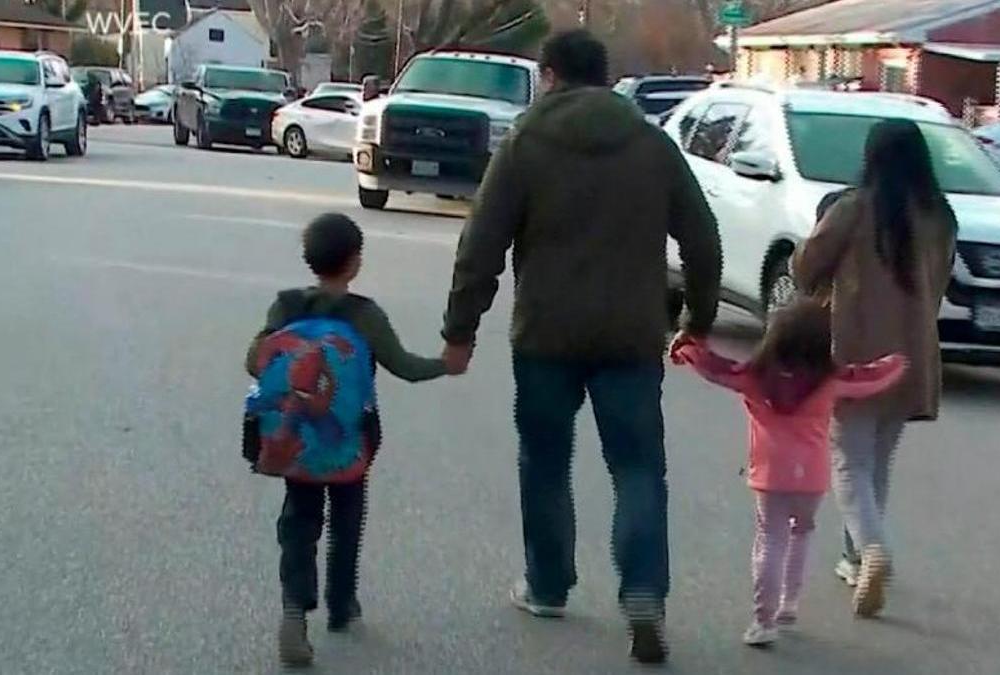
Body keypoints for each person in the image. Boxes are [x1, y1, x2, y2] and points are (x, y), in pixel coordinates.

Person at [439, 30, 722, 664]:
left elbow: (479, 247)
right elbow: (703, 239)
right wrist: (698, 319)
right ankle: (644, 591)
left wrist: (461, 330)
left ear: (551, 75)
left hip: (545, 335)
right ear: (605, 77)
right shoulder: (652, 144)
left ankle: (547, 585)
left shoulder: (526, 143)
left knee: (544, 460)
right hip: (630, 337)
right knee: (638, 468)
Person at [245, 213, 459, 667]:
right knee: (346, 521)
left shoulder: (285, 308)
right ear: (355, 262)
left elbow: (255, 362)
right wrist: (446, 363)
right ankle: (342, 606)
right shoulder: (364, 315)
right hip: (349, 442)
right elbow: (404, 366)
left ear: (309, 260)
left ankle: (293, 611)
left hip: (297, 440)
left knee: (299, 522)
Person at [793, 119, 958, 618]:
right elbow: (943, 281)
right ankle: (855, 555)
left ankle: (870, 549)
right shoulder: (940, 217)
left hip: (856, 351)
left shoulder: (854, 209)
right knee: (878, 460)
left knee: (848, 459)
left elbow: (806, 269)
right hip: (911, 355)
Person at [671, 299, 907, 647]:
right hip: (811, 479)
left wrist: (686, 349)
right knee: (802, 534)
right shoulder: (831, 380)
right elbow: (872, 377)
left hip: (770, 476)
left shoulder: (753, 377)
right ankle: (789, 604)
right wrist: (901, 360)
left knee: (770, 540)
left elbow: (715, 368)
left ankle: (762, 619)